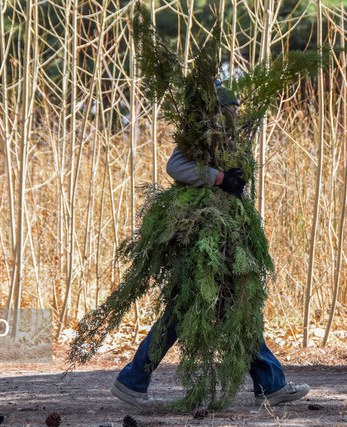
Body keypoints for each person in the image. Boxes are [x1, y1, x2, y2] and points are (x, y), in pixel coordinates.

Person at [110, 92, 310, 409]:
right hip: (203, 243)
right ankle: (132, 381)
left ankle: (270, 385)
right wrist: (218, 178)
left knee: (229, 312)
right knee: (206, 313)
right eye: (229, 110)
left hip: (224, 241)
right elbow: (175, 166)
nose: (234, 115)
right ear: (216, 112)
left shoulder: (227, 143)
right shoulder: (199, 138)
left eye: (236, 111)